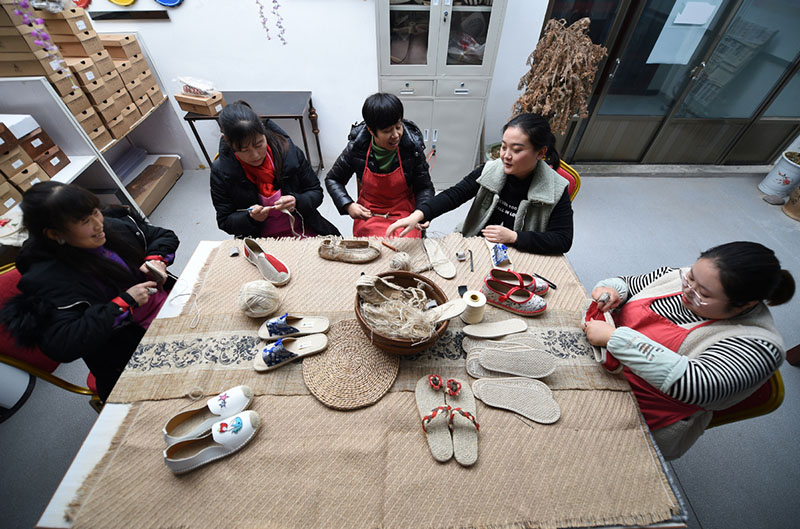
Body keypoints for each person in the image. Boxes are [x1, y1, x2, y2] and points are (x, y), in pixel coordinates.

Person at [582, 241, 794, 459]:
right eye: (691, 276)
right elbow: (630, 284)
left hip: (639, 415)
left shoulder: (760, 345)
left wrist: (615, 338)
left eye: (703, 294)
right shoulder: (687, 279)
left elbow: (694, 384)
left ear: (745, 305)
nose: (687, 290)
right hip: (601, 363)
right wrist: (612, 290)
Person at [0, 182, 180, 401]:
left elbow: (162, 236)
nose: (98, 224)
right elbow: (63, 343)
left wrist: (155, 260)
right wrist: (124, 303)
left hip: (171, 305)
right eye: (85, 221)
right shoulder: (48, 279)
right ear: (55, 233)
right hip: (132, 346)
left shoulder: (113, 227)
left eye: (96, 212)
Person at [385, 113, 573, 254]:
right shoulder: (491, 170)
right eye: (504, 146)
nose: (506, 156)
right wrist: (418, 215)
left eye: (516, 150)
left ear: (540, 153)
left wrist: (514, 237)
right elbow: (454, 195)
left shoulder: (555, 189)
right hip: (477, 243)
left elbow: (563, 240)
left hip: (520, 252)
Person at [210, 101, 340, 238]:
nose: (255, 155)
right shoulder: (222, 172)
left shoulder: (289, 153)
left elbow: (316, 192)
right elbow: (225, 221)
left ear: (262, 129)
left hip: (303, 229)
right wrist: (250, 218)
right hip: (259, 239)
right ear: (226, 140)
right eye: (244, 150)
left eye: (259, 144)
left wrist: (297, 201)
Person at [325, 92, 434, 238]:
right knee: (369, 250)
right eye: (387, 131)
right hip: (369, 213)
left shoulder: (412, 148)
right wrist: (348, 205)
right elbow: (333, 179)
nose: (395, 135)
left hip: (404, 212)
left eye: (398, 126)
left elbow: (425, 187)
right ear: (371, 130)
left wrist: (421, 213)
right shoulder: (357, 148)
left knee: (405, 245)